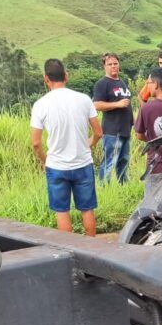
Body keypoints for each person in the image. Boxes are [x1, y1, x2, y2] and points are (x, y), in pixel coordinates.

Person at [30, 59, 101, 237]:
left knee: (62, 211)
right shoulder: (84, 99)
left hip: (56, 166)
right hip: (83, 163)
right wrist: (89, 146)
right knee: (87, 210)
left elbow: (36, 143)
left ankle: (70, 251)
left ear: (46, 78)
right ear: (66, 76)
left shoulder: (40, 105)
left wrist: (45, 161)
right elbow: (98, 132)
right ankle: (91, 249)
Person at [91, 53, 133, 184]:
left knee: (124, 161)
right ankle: (104, 188)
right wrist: (117, 104)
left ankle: (124, 187)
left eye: (115, 63)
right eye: (110, 64)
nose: (113, 66)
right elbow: (96, 105)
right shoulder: (102, 84)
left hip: (125, 130)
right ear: (104, 66)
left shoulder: (122, 82)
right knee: (109, 162)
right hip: (112, 131)